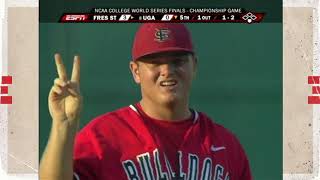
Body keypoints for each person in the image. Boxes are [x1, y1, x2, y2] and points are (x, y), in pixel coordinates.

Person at [39, 23, 252, 180]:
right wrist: (62, 126)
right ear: (136, 71)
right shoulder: (103, 137)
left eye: (177, 61)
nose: (167, 71)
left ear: (193, 66)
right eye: (155, 63)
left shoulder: (226, 146)